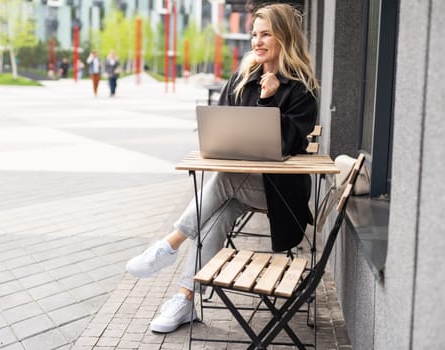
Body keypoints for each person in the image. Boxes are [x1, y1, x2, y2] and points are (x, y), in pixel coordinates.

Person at [125, 3, 319, 334]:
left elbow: (282, 145)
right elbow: (220, 127)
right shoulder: (242, 79)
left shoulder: (302, 91)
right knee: (215, 214)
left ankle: (170, 243)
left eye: (266, 34)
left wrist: (268, 100)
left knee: (225, 179)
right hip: (238, 186)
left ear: (284, 37)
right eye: (254, 35)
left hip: (279, 192)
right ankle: (186, 299)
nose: (257, 42)